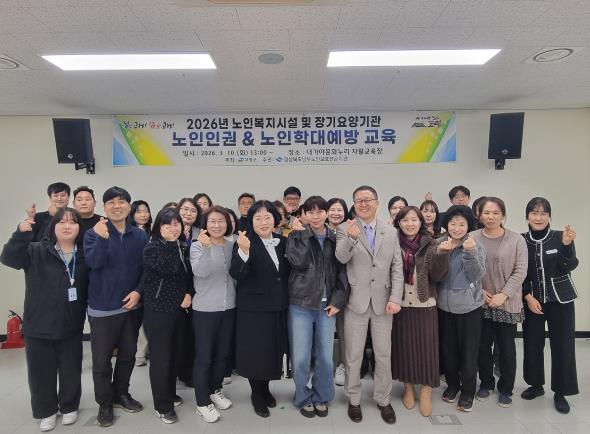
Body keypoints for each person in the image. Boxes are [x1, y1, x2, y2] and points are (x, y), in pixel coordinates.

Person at [1, 207, 89, 432]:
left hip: (70, 324)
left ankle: (69, 406)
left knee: (70, 369)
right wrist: (20, 234)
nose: (67, 226)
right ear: (53, 227)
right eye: (62, 222)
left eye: (72, 222)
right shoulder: (36, 250)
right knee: (40, 372)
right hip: (38, 324)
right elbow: (8, 258)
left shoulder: (85, 254)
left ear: (79, 228)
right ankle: (46, 411)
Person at [335, 185, 404, 425]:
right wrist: (351, 238)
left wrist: (396, 297)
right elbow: (341, 258)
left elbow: (397, 267)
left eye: (368, 199)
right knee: (353, 355)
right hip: (356, 302)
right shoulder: (344, 228)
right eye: (359, 200)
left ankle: (383, 399)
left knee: (383, 355)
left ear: (377, 202)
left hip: (384, 303)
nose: (363, 204)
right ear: (354, 204)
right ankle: (354, 399)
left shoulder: (390, 231)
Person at [84, 186, 148, 427]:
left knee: (128, 355)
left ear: (129, 206)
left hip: (131, 307)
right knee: (101, 361)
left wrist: (138, 292)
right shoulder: (93, 233)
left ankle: (121, 393)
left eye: (121, 201)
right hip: (102, 308)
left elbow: (145, 269)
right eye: (111, 202)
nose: (116, 206)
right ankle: (105, 403)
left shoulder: (139, 235)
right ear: (104, 207)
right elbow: (94, 262)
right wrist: (101, 239)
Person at [286, 196, 349, 418]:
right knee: (301, 357)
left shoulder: (335, 238)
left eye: (320, 211)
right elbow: (298, 262)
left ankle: (322, 396)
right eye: (310, 212)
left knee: (324, 357)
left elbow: (343, 273)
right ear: (303, 214)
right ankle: (303, 396)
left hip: (327, 307)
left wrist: (337, 301)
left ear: (326, 213)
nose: (315, 216)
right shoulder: (295, 236)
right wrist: (303, 234)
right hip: (300, 305)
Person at [229, 200, 290, 418]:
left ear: (276, 219)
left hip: (277, 306)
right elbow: (236, 273)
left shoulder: (283, 241)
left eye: (267, 217)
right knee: (255, 353)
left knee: (271, 351)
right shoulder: (245, 241)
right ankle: (256, 394)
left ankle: (265, 389)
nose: (263, 222)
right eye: (258, 218)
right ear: (251, 221)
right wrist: (244, 251)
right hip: (253, 309)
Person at [521, 197, 579, 414]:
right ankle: (536, 385)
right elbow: (519, 271)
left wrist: (567, 246)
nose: (539, 217)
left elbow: (569, 266)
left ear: (549, 216)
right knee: (532, 344)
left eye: (543, 213)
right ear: (527, 216)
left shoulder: (560, 237)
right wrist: (527, 296)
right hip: (532, 301)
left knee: (563, 346)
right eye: (534, 213)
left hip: (560, 300)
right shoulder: (521, 240)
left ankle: (561, 392)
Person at [391, 206, 449, 417]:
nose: (410, 224)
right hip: (400, 304)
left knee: (427, 350)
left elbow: (439, 276)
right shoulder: (393, 243)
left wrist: (442, 254)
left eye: (414, 219)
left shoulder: (431, 244)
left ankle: (425, 390)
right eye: (405, 220)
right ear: (398, 223)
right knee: (404, 348)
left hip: (425, 304)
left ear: (421, 222)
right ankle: (407, 387)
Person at [471, 197, 527, 408]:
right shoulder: (472, 237)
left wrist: (503, 295)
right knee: (483, 347)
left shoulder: (516, 240)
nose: (491, 217)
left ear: (503, 215)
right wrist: (479, 290)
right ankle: (486, 383)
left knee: (507, 349)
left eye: (495, 213)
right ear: (480, 215)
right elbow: (467, 269)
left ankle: (506, 388)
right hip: (481, 303)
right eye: (486, 212)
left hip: (507, 303)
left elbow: (520, 271)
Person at [141, 208, 193, 424]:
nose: (173, 228)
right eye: (167, 224)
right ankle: (162, 406)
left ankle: (170, 393)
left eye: (176, 223)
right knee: (161, 358)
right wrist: (174, 243)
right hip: (158, 310)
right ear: (158, 227)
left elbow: (189, 275)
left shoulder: (182, 246)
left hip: (179, 309)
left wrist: (189, 293)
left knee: (175, 354)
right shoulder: (152, 248)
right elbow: (169, 269)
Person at [437, 205, 486, 412]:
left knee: (468, 352)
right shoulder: (440, 243)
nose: (456, 228)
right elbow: (434, 274)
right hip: (443, 307)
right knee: (448, 351)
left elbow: (475, 275)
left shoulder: (475, 245)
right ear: (446, 224)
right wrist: (441, 252)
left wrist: (469, 252)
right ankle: (453, 385)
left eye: (461, 224)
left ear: (468, 226)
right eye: (453, 223)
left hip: (469, 308)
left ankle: (468, 391)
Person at [190, 206, 237, 423]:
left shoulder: (232, 244)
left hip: (229, 307)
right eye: (212, 221)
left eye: (221, 221)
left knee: (222, 355)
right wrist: (207, 248)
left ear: (228, 224)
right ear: (205, 225)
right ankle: (202, 402)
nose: (217, 225)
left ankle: (214, 390)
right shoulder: (197, 245)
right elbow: (201, 272)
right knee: (204, 357)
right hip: (205, 309)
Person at [325, 197, 349, 386]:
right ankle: (323, 367)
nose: (335, 213)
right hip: (323, 290)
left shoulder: (350, 231)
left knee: (344, 332)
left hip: (344, 288)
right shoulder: (319, 231)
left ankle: (342, 365)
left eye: (339, 210)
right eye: (332, 209)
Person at [127, 200, 153, 367]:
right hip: (134, 281)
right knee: (133, 321)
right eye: (138, 211)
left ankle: (143, 352)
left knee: (147, 320)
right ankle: (136, 354)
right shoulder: (128, 232)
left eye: (146, 211)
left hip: (150, 281)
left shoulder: (154, 232)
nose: (143, 214)